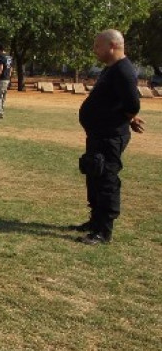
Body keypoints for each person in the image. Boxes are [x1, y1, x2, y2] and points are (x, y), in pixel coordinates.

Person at [72, 29, 144, 245]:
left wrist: (130, 118)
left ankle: (103, 231)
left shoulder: (123, 70)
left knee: (107, 180)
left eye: (97, 46)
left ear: (112, 46)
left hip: (110, 136)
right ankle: (94, 221)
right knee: (94, 174)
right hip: (98, 134)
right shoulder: (110, 69)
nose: (95, 50)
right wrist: (130, 118)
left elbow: (132, 103)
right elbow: (118, 101)